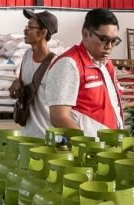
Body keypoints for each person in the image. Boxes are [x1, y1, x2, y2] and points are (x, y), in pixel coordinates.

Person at [44, 8, 125, 137]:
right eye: (104, 39)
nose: (109, 47)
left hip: (109, 143)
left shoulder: (105, 64)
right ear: (86, 34)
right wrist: (86, 143)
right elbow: (59, 117)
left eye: (114, 41)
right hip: (88, 147)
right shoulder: (69, 64)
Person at [9, 9, 59, 137]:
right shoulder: (27, 55)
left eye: (30, 27)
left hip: (46, 135)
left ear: (43, 33)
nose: (25, 31)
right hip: (27, 133)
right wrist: (17, 84)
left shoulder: (55, 64)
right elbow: (24, 82)